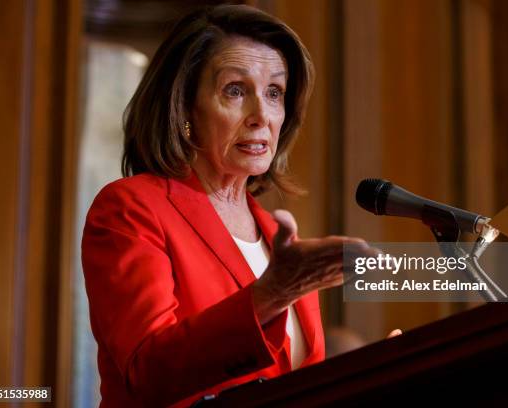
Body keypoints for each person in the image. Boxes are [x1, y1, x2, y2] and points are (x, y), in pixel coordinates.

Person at [81, 4, 377, 407]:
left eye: (274, 93)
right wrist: (269, 295)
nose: (261, 115)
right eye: (235, 90)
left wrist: (380, 374)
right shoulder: (132, 209)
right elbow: (148, 372)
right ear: (185, 107)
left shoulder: (281, 240)